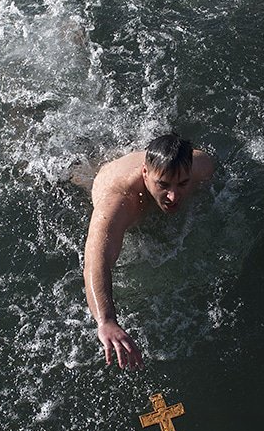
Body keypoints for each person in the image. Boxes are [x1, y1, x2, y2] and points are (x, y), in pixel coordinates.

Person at [82, 133, 216, 369]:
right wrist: (106, 321)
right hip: (96, 174)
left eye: (182, 184)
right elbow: (96, 261)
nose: (174, 197)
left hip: (140, 162)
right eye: (163, 186)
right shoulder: (120, 200)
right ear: (145, 174)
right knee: (69, 173)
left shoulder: (201, 166)